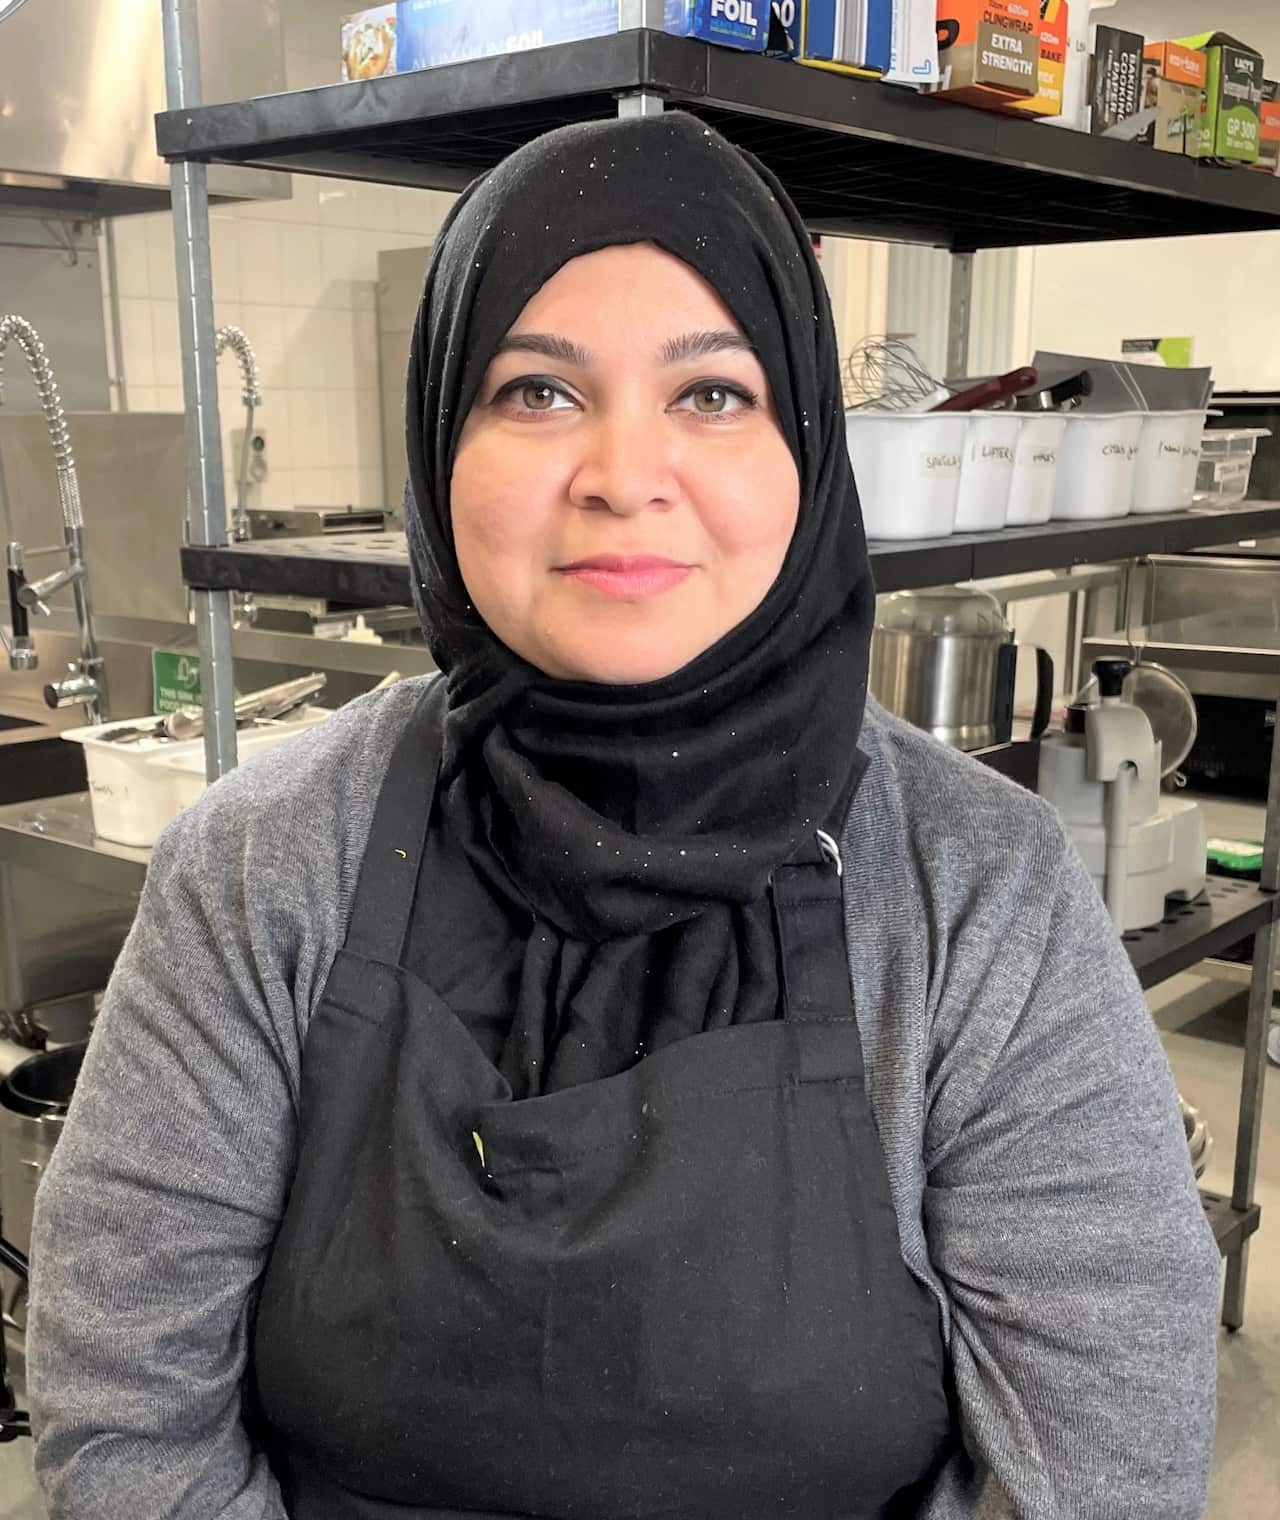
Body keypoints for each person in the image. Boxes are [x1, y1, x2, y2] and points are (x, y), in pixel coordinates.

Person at [27, 111, 1219, 1519]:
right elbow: (124, 1414)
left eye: (712, 394)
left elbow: (1103, 1465)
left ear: (807, 453)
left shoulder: (984, 891)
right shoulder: (260, 865)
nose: (621, 473)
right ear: (436, 443)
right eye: (537, 392)